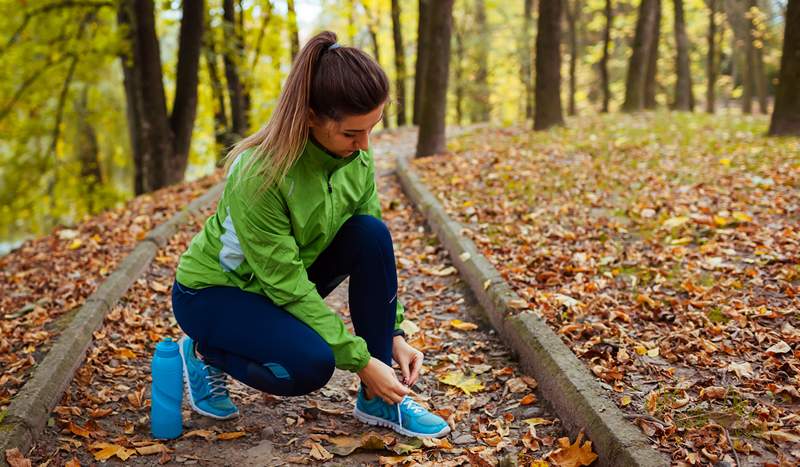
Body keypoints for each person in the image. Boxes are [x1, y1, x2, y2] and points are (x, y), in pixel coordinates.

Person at [170, 31, 450, 439]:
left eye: (372, 129)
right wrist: (360, 360)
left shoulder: (357, 157)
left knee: (371, 233)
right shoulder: (261, 175)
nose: (364, 146)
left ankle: (379, 400)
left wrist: (392, 333)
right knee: (309, 366)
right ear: (311, 118)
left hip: (280, 283)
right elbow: (286, 284)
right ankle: (202, 352)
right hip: (215, 293)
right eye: (352, 134)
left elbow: (373, 249)